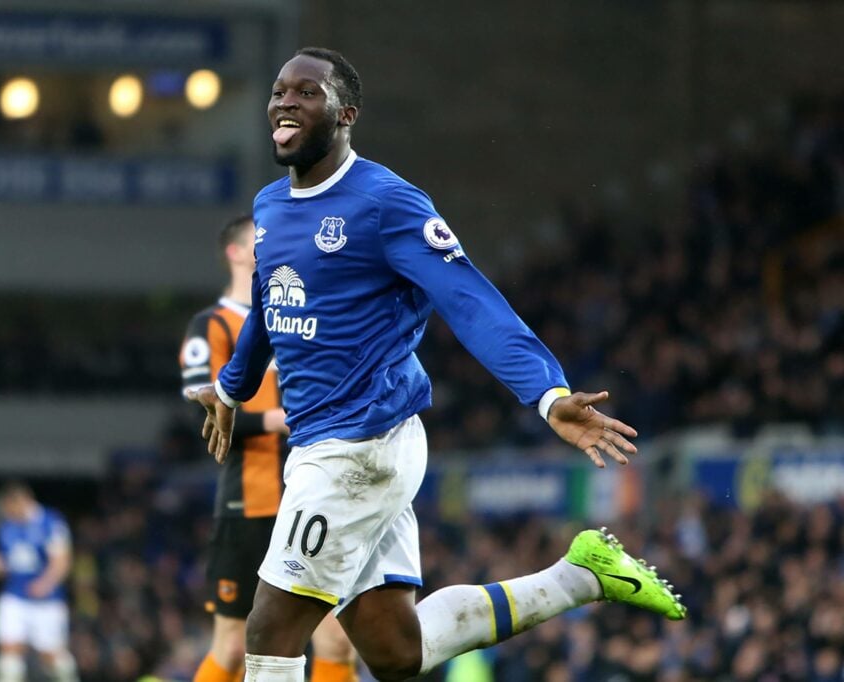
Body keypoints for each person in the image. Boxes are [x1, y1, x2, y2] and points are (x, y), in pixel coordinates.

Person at [187, 47, 687, 682]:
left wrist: (546, 391)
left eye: (306, 92)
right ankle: (579, 577)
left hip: (358, 445)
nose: (285, 101)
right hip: (337, 445)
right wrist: (231, 389)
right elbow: (270, 304)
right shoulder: (270, 206)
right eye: (280, 90)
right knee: (397, 651)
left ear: (346, 114)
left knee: (270, 628)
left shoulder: (385, 203)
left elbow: (470, 300)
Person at [181, 215, 357, 682]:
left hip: (312, 493)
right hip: (251, 499)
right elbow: (198, 410)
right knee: (235, 647)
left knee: (336, 641)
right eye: (259, 242)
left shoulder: (297, 315)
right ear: (237, 253)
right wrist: (273, 420)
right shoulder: (212, 324)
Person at [0, 482, 77, 682]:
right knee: (9, 651)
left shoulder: (50, 522)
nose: (8, 513)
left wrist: (46, 583)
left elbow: (62, 560)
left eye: (10, 507)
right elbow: (9, 561)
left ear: (22, 501)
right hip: (15, 596)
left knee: (51, 656)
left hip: (47, 600)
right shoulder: (7, 527)